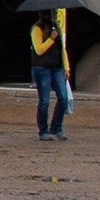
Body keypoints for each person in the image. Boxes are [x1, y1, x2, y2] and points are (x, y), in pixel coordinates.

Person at [30, 9, 71, 140]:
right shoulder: (37, 29)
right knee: (44, 100)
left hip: (57, 67)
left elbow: (62, 49)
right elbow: (39, 49)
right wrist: (51, 39)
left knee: (63, 97)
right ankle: (43, 130)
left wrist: (66, 67)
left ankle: (56, 126)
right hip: (42, 67)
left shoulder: (57, 27)